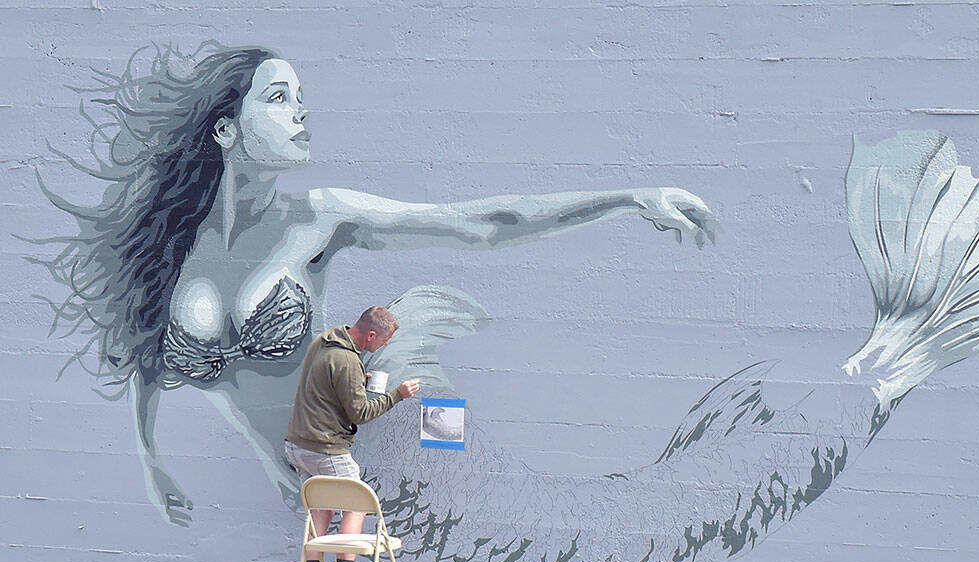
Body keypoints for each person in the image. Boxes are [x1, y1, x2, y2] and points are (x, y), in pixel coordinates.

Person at [37, 42, 715, 525]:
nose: (301, 112)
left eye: (302, 99)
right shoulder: (171, 248)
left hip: (367, 462)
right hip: (303, 479)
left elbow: (480, 223)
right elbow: (149, 359)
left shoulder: (319, 218)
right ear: (225, 128)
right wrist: (151, 458)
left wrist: (627, 196)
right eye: (279, 99)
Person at [285, 305, 419, 562]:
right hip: (326, 447)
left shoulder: (325, 341)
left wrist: (357, 381)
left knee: (320, 511)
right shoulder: (347, 361)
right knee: (357, 506)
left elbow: (327, 384)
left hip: (298, 445)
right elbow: (360, 412)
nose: (384, 346)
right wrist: (397, 394)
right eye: (383, 340)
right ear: (371, 334)